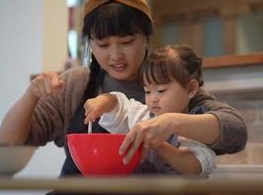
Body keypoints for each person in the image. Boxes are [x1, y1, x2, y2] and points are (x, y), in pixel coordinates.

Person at [0, 0, 247, 177]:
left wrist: (172, 122)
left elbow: (235, 132)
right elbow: (6, 150)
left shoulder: (169, 83)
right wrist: (31, 95)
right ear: (89, 44)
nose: (115, 55)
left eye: (127, 41)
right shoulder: (75, 84)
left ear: (147, 37)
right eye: (103, 45)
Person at [84, 44, 216, 177]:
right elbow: (120, 105)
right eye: (147, 91)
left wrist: (158, 144)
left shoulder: (195, 126)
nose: (153, 98)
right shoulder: (141, 116)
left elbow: (194, 168)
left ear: (191, 88)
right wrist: (105, 101)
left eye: (161, 91)